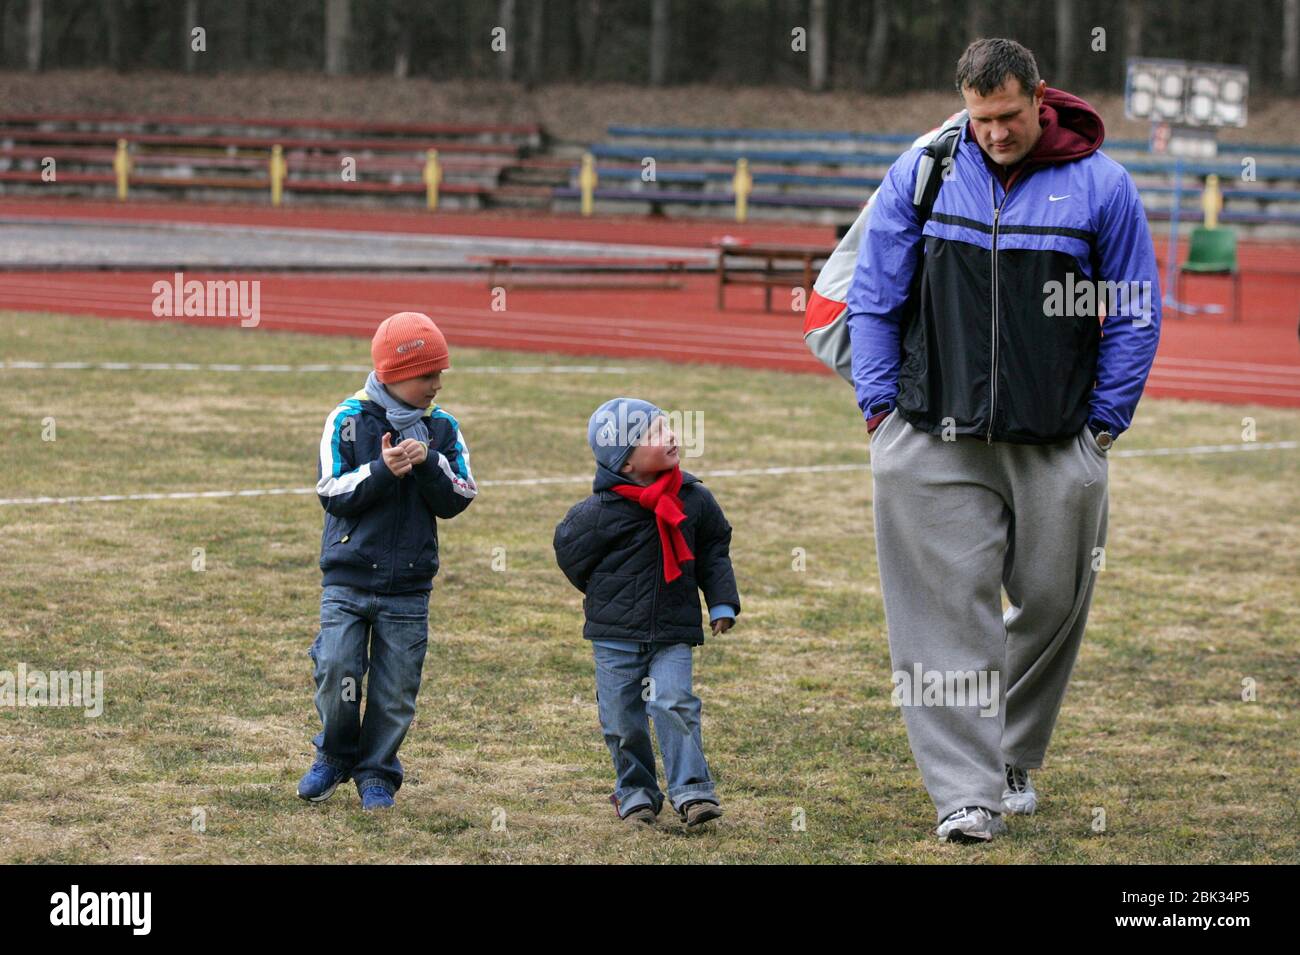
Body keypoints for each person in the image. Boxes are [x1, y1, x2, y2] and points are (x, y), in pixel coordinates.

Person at [846, 38, 1161, 842]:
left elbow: (1131, 310)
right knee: (945, 618)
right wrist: (882, 415)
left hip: (1057, 439)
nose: (995, 132)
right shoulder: (925, 171)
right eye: (980, 118)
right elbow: (876, 293)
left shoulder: (1102, 185)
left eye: (1009, 115)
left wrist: (1102, 426)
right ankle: (965, 793)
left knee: (1054, 599)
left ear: (1039, 97)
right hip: (931, 435)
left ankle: (1011, 748)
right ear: (965, 106)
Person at [297, 311, 477, 810]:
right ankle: (333, 755)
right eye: (428, 375)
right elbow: (331, 490)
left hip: (408, 586)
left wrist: (429, 466)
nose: (437, 384)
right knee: (338, 671)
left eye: (441, 373)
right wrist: (381, 470)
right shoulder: (349, 420)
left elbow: (461, 495)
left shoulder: (442, 429)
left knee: (396, 691)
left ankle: (377, 771)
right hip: (349, 580)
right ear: (395, 374)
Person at [553, 398, 740, 828]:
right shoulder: (597, 513)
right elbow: (569, 553)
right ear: (627, 462)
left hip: (673, 630)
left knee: (675, 703)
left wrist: (722, 601)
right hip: (615, 637)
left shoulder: (693, 499)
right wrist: (600, 595)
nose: (671, 435)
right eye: (654, 434)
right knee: (622, 720)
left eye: (667, 425)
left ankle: (693, 791)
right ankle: (635, 793)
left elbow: (713, 549)